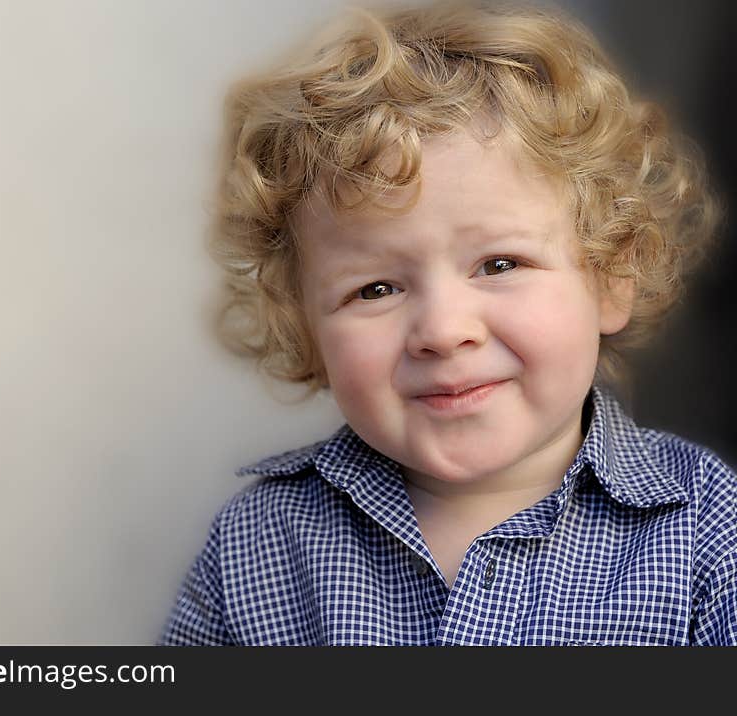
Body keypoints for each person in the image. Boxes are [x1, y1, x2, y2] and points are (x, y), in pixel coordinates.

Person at [158, 0, 735, 645]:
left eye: (498, 263)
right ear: (308, 331)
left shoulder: (708, 534)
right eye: (374, 288)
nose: (443, 328)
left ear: (609, 278)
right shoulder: (258, 547)